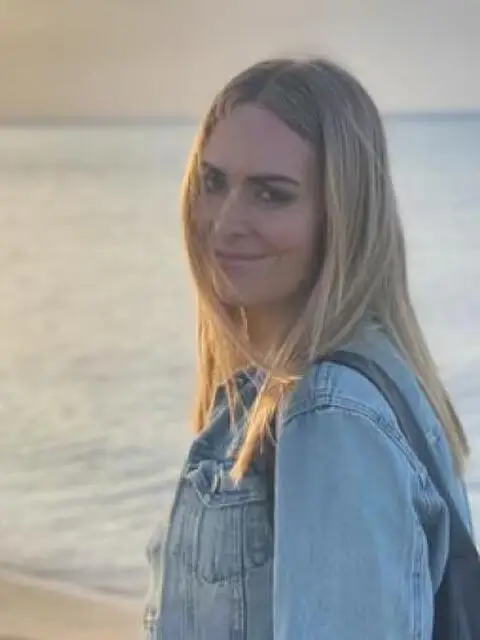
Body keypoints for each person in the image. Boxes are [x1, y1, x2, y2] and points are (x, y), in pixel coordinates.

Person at [142, 57, 474, 639]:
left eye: (271, 195)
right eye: (213, 182)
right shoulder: (333, 383)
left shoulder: (332, 410)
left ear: (340, 217)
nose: (224, 222)